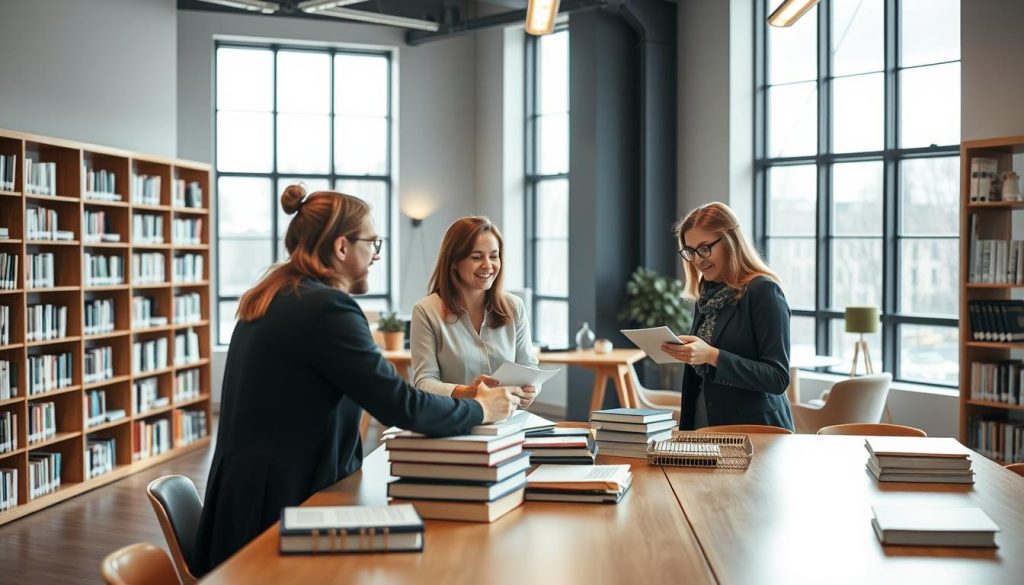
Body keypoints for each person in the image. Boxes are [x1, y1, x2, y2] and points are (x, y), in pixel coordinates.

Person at [191, 187, 517, 576]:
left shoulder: (273, 293)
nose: (376, 254)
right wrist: (481, 407)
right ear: (342, 247)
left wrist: (463, 396)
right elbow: (399, 405)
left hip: (242, 503)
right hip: (284, 510)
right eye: (372, 242)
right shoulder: (327, 308)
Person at [661, 202, 794, 431]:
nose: (698, 259)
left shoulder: (763, 291)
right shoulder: (707, 293)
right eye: (691, 251)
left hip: (755, 431)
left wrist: (712, 356)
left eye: (705, 248)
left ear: (731, 242)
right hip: (705, 420)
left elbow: (777, 378)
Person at [411, 217, 540, 408]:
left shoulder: (514, 306)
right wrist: (469, 393)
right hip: (454, 421)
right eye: (477, 257)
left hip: (507, 421)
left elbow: (528, 367)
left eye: (494, 256)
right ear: (454, 261)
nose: (488, 265)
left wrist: (532, 390)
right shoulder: (426, 311)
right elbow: (424, 383)